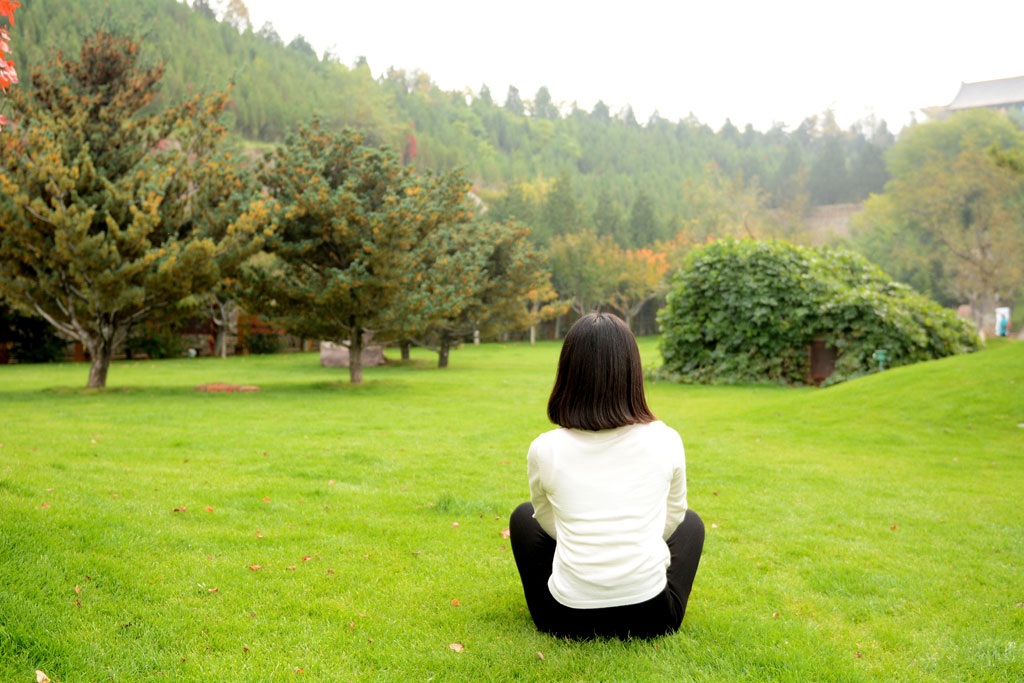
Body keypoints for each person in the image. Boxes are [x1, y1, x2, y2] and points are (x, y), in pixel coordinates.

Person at [509, 312, 705, 640]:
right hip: (654, 617)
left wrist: (585, 546)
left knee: (522, 517)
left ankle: (582, 587)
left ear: (568, 374)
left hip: (562, 619)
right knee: (691, 523)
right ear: (632, 372)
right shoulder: (666, 439)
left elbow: (546, 519)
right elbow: (671, 519)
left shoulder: (545, 448)